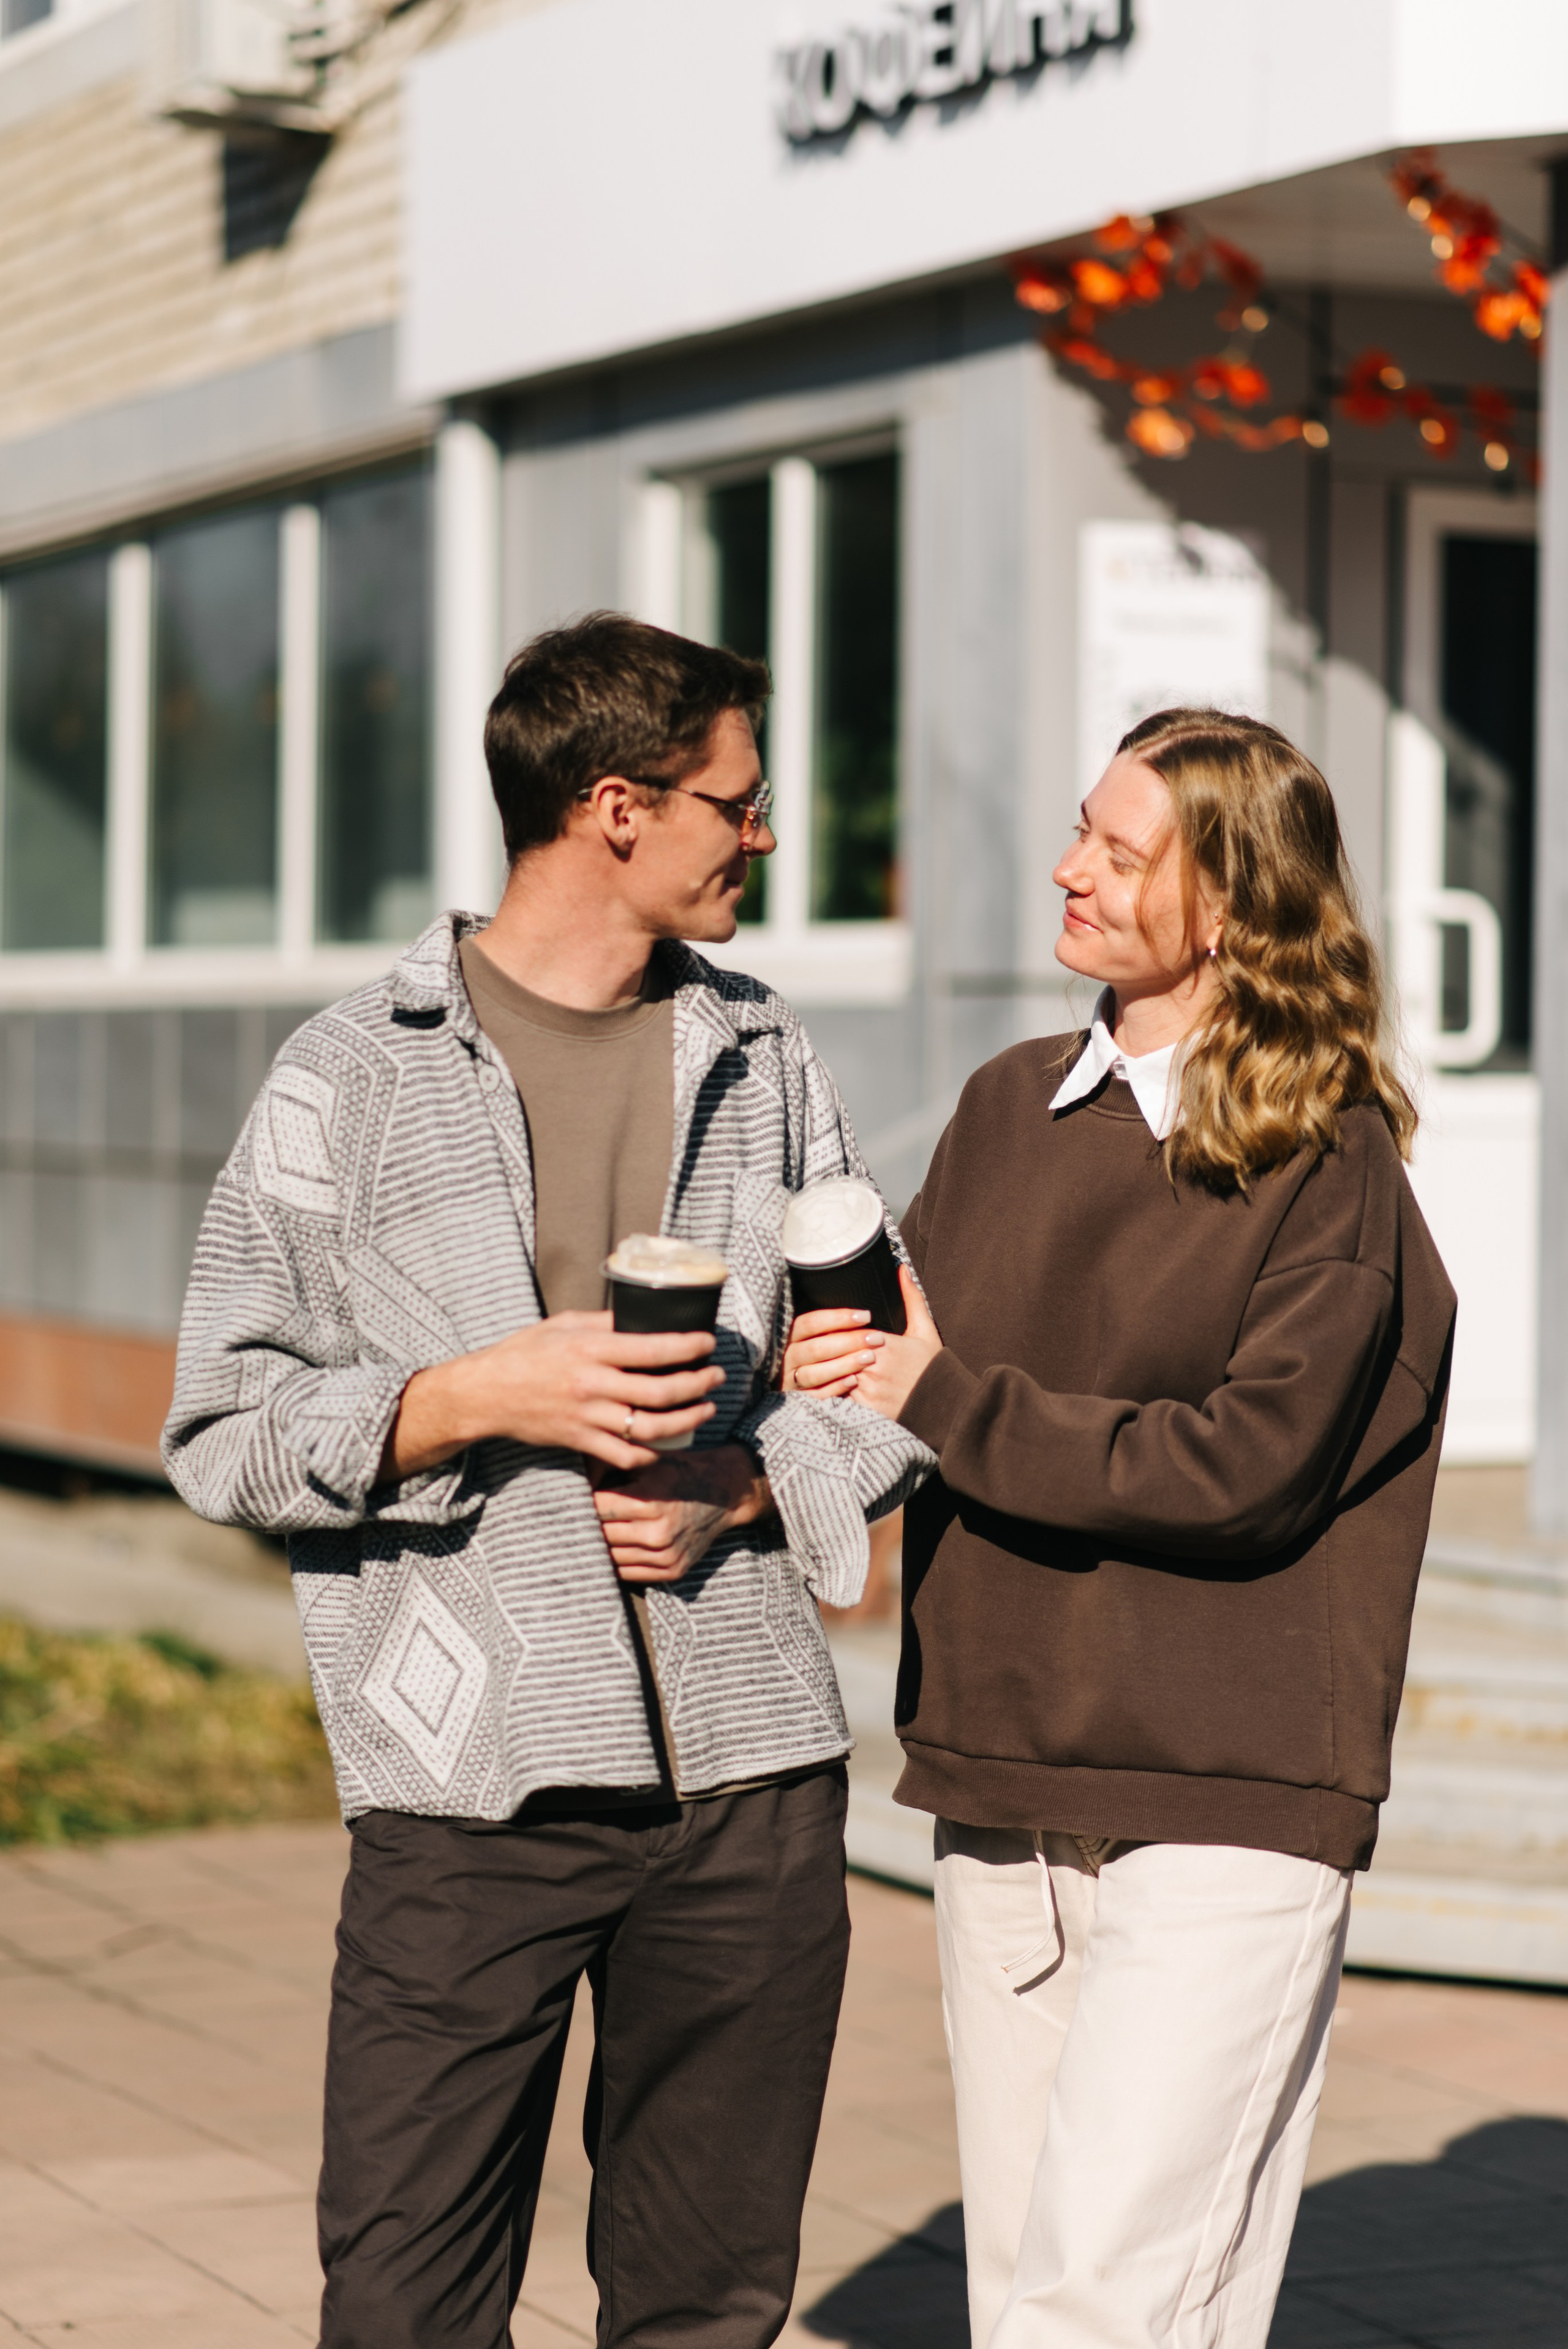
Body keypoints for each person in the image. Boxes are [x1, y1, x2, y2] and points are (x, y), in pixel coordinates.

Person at [162, 613, 930, 2349]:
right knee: (407, 2304)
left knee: (704, 2308)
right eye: (737, 801)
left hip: (751, 1783)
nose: (766, 835)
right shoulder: (350, 1076)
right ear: (617, 808)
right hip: (467, 1793)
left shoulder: (766, 1054)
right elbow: (220, 1426)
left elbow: (888, 1358)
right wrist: (464, 1395)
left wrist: (746, 1486)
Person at [783, 709, 1456, 2349]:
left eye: (1122, 849)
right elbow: (891, 1382)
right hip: (1006, 1772)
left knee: (1100, 2305)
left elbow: (1247, 1467)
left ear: (1230, 905)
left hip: (1228, 1793)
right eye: (1081, 828)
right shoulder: (1011, 1105)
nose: (1071, 868)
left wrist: (942, 1393)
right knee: (1046, 2282)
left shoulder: (1330, 1159)